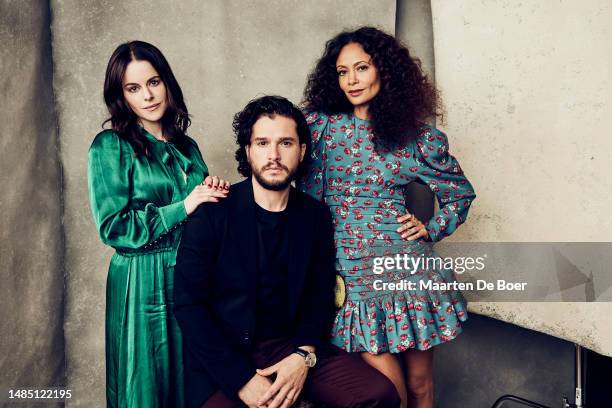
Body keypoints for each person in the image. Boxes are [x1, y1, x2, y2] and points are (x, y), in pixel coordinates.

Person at [173, 95, 401, 408]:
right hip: (226, 356)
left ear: (302, 150)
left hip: (291, 347)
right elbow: (189, 306)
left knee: (379, 396)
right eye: (263, 143)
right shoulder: (212, 213)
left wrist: (303, 355)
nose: (274, 155)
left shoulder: (315, 216)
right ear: (249, 150)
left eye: (286, 143)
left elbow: (319, 296)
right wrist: (241, 380)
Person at [299, 27, 477, 408]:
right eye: (343, 71)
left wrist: (429, 228)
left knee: (419, 386)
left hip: (406, 269)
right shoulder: (319, 127)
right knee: (387, 394)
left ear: (385, 71)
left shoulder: (416, 138)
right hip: (351, 276)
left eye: (361, 68)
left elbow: (459, 195)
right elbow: (275, 158)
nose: (351, 80)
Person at [88, 40, 230, 407]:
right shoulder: (110, 146)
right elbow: (115, 227)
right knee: (147, 383)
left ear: (166, 82)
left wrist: (213, 197)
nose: (148, 96)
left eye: (153, 82)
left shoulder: (188, 146)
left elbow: (199, 211)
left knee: (193, 380)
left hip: (191, 273)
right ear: (121, 96)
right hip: (141, 279)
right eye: (133, 88)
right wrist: (185, 205)